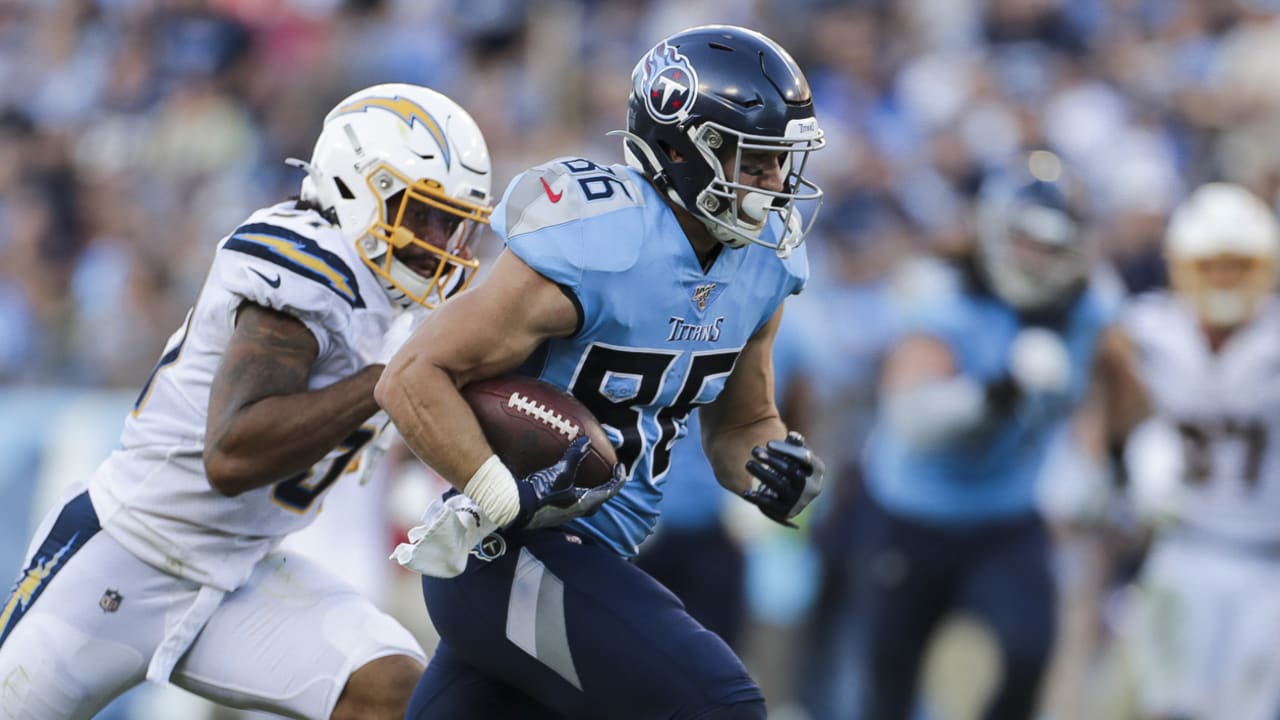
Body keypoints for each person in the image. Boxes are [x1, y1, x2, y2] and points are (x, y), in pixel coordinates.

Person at [0, 82, 493, 720]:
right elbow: (230, 454)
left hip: (240, 574)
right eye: (422, 215)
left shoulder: (395, 309)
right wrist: (386, 380)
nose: (440, 242)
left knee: (397, 691)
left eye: (452, 223)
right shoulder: (305, 261)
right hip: (124, 556)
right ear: (355, 186)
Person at [377, 25, 827, 720]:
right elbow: (411, 376)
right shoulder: (600, 243)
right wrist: (498, 490)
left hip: (596, 557)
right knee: (722, 706)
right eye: (756, 162)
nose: (776, 186)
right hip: (507, 550)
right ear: (680, 151)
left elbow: (740, 425)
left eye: (781, 163)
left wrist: (775, 468)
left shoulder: (765, 265)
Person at [855, 150, 1148, 720]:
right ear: (992, 230)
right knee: (890, 680)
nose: (1036, 258)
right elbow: (910, 420)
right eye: (1024, 239)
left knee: (1028, 651)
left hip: (1007, 516)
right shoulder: (943, 296)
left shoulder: (1089, 305)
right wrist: (995, 395)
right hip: (913, 514)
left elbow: (1120, 386)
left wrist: (1110, 462)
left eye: (1051, 245)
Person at [1120, 182, 1280, 720]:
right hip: (1179, 548)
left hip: (1267, 560)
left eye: (1238, 265)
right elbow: (1104, 407)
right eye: (1211, 265)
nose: (1224, 279)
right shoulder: (1145, 330)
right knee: (1169, 707)